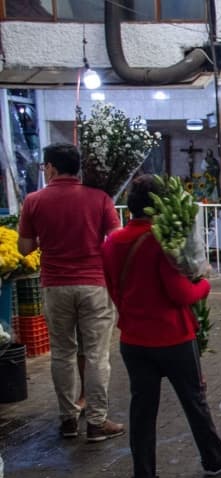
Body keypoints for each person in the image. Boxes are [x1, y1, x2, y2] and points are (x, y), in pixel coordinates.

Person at [102, 175, 221, 478]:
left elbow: (113, 290)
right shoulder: (161, 241)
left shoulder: (112, 242)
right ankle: (214, 458)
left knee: (142, 409)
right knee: (194, 400)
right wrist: (204, 285)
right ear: (161, 206)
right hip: (173, 338)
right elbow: (181, 294)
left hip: (133, 340)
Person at [17, 142, 125, 442]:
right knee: (96, 355)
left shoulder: (34, 200)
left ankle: (67, 420)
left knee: (62, 354)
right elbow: (115, 241)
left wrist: (46, 237)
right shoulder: (100, 198)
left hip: (55, 286)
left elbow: (24, 248)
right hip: (94, 284)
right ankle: (96, 422)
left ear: (51, 167)